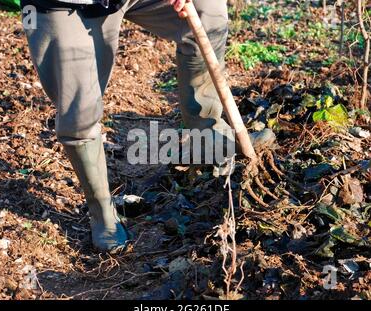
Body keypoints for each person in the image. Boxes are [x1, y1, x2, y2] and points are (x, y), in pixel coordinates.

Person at [21, 0, 275, 252]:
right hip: (63, 5)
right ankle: (101, 211)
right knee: (80, 110)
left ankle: (207, 136)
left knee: (208, 11)